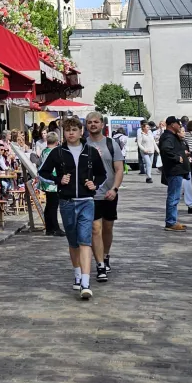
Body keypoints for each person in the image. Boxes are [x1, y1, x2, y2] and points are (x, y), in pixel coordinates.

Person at [38, 116, 107, 300]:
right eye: (67, 130)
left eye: (74, 129)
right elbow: (42, 172)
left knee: (85, 240)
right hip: (67, 201)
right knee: (73, 241)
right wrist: (58, 180)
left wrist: (95, 184)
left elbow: (102, 174)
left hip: (86, 201)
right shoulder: (58, 153)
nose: (71, 133)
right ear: (64, 133)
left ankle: (85, 282)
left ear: (81, 131)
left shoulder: (91, 152)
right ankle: (77, 273)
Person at [85, 112, 124, 282]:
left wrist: (114, 188)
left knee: (107, 228)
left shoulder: (110, 143)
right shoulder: (82, 144)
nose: (92, 125)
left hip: (109, 193)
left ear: (102, 124)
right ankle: (100, 265)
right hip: (90, 195)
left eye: (95, 122)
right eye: (89, 122)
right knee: (95, 229)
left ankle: (106, 255)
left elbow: (119, 169)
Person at [160, 116, 190, 231]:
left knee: (174, 196)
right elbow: (166, 150)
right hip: (174, 170)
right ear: (172, 124)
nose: (180, 126)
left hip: (177, 170)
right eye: (178, 124)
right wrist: (177, 158)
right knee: (173, 197)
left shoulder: (172, 136)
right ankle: (171, 222)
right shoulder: (168, 136)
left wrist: (183, 153)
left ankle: (172, 220)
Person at [39, 131, 65, 237]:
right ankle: (55, 228)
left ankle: (49, 228)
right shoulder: (54, 152)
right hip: (53, 181)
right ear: (57, 141)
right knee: (54, 205)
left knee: (49, 205)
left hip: (45, 180)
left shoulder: (44, 151)